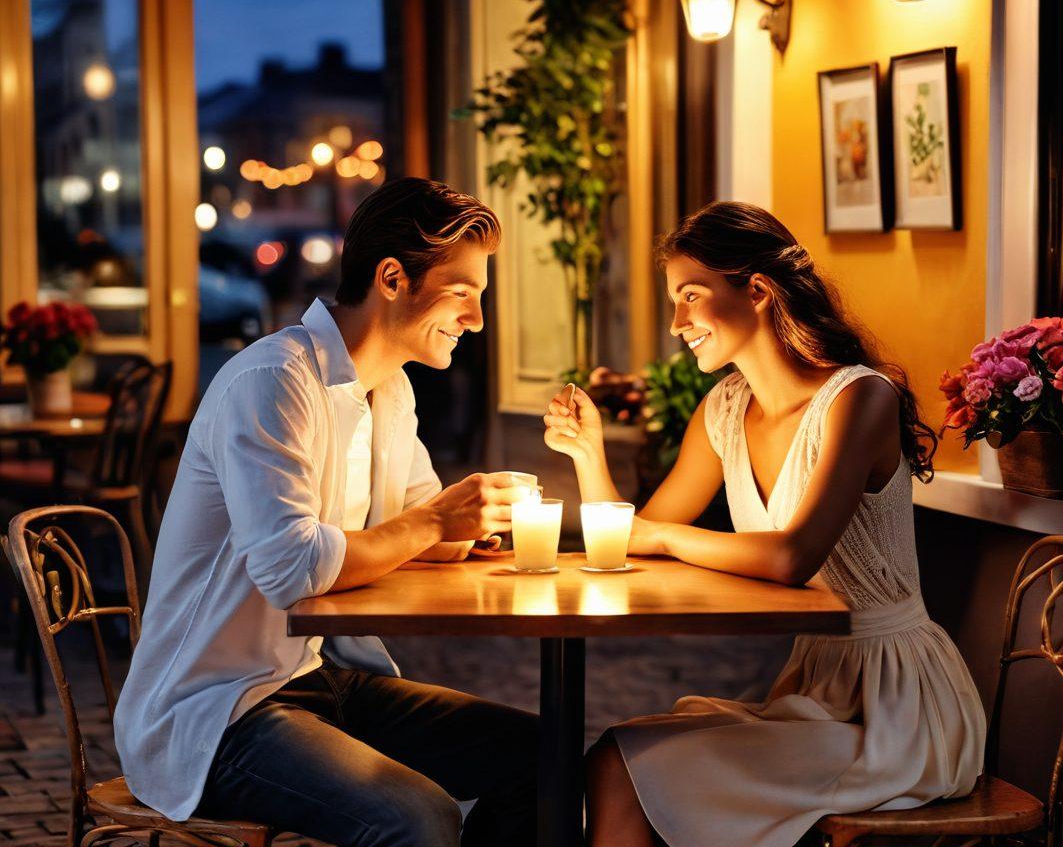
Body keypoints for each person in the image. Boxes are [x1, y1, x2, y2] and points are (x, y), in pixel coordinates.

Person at [543, 201, 985, 847]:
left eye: (690, 297)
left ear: (756, 291)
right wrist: (588, 456)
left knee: (619, 768)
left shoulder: (860, 398)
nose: (676, 323)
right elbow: (632, 533)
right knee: (611, 760)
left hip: (897, 710)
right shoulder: (725, 409)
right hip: (814, 688)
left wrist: (661, 537)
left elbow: (790, 557)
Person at [115, 177, 538, 847]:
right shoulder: (274, 381)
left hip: (316, 674)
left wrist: (477, 527)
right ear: (393, 278)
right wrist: (434, 525)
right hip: (216, 710)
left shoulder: (390, 390)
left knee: (544, 757)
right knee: (420, 820)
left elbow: (417, 519)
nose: (477, 319)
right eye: (465, 293)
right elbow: (293, 569)